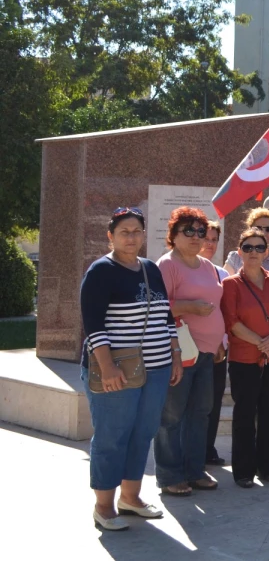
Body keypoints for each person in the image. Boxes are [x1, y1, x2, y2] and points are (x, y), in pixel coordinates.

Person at [81, 207, 182, 532]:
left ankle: (131, 497)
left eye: (136, 231)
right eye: (124, 231)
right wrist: (106, 366)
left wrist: (175, 354)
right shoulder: (101, 271)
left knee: (142, 433)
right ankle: (103, 506)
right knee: (113, 435)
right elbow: (94, 325)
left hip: (156, 369)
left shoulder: (150, 269)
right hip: (117, 371)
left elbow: (166, 317)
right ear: (110, 235)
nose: (131, 237)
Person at [154, 207, 224, 496]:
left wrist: (220, 341)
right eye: (189, 231)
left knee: (200, 413)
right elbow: (158, 308)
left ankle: (195, 471)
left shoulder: (207, 266)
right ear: (173, 235)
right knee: (172, 416)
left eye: (201, 231)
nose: (197, 236)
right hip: (179, 353)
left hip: (208, 353)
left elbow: (216, 307)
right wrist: (191, 307)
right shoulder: (167, 265)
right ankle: (170, 475)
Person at [220, 228, 269, 488]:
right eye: (248, 247)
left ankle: (267, 467)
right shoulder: (230, 284)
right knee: (244, 414)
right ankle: (243, 471)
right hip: (244, 359)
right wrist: (263, 343)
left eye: (259, 247)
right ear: (239, 251)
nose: (253, 252)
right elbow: (232, 321)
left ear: (267, 252)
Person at [199, 220, 230, 466]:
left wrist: (221, 342)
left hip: (218, 350)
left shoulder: (222, 274)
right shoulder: (177, 268)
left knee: (213, 400)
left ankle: (207, 449)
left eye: (213, 240)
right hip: (189, 350)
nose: (209, 244)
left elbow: (224, 314)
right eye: (205, 238)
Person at [222, 208, 269, 291]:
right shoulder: (235, 257)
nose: (264, 233)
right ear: (250, 231)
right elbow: (224, 289)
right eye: (258, 228)